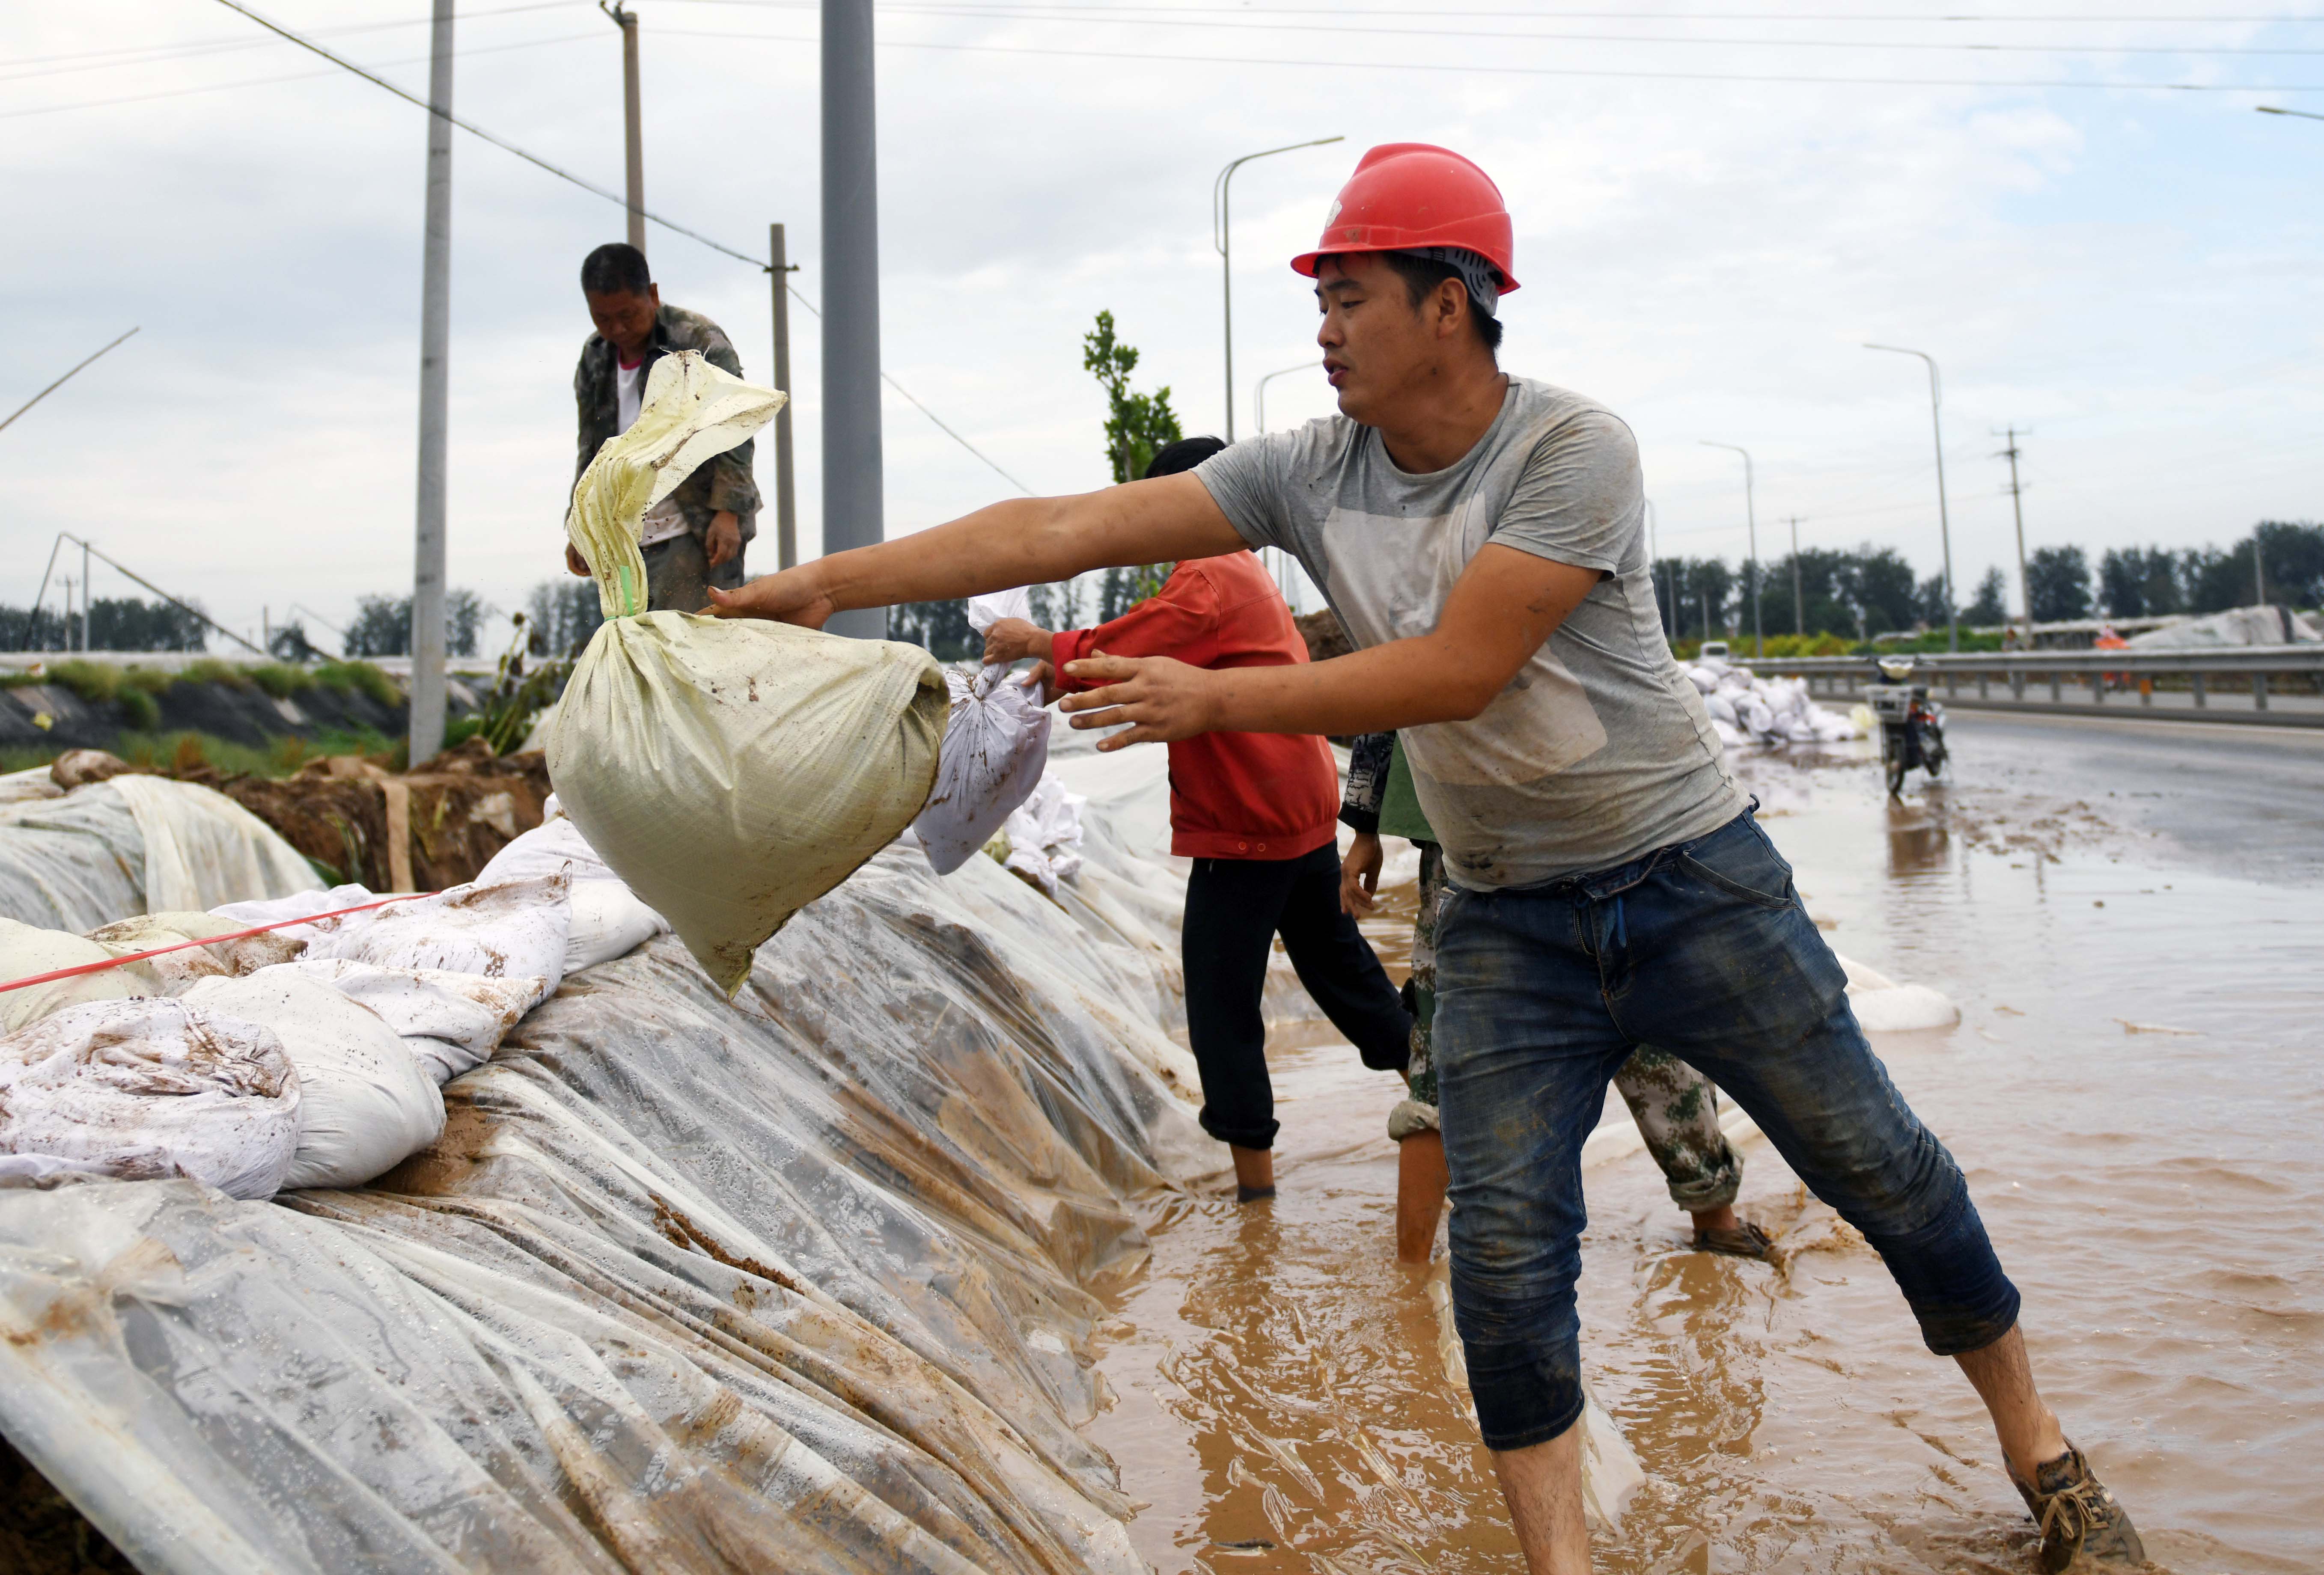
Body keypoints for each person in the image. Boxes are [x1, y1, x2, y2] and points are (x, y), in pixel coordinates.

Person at [709, 143, 2143, 1574]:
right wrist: (813, 588)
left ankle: (2042, 1459)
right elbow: (1056, 524)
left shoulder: (1572, 451)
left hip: (1688, 879)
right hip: (1502, 917)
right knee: (1504, 1270)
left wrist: (1213, 700)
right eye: (1317, 299)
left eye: (1348, 295)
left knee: (1875, 1167)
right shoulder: (1300, 474)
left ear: (1447, 302)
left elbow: (1456, 671)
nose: (1322, 329)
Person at [980, 434, 1414, 1204]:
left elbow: (1131, 642)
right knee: (1341, 975)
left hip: (1249, 823)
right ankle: (1443, 1092)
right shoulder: (1239, 574)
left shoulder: (1207, 576)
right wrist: (1062, 668)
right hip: (1299, 810)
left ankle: (1255, 1198)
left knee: (1219, 1005)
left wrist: (1041, 642)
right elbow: (1144, 657)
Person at [1339, 729, 1770, 1266]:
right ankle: (1715, 1222)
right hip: (1572, 819)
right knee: (1638, 1015)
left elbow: (1385, 685)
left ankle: (1410, 1271)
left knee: (1444, 1045)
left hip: (1475, 829)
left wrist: (1364, 826)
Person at [565, 242, 761, 612]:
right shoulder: (595, 357)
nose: (618, 328)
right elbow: (590, 450)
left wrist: (728, 514)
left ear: (652, 295)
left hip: (695, 527)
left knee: (693, 649)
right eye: (603, 319)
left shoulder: (697, 341)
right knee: (633, 649)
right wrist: (580, 529)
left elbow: (736, 424)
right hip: (623, 537)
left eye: (628, 314)